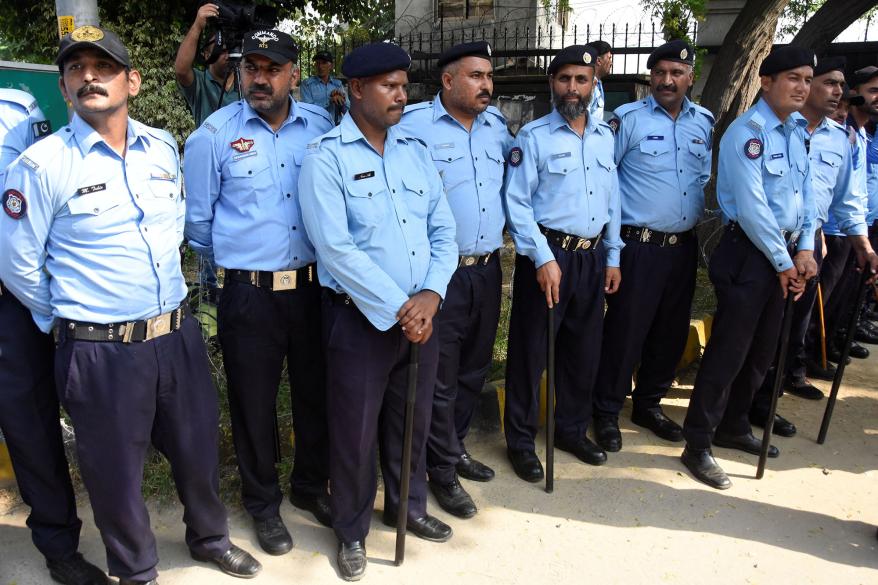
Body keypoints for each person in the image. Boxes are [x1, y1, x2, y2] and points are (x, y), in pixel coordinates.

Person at [0, 26, 261, 583]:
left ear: (133, 81)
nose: (88, 76)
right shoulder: (42, 166)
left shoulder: (163, 146)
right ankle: (137, 569)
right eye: (76, 69)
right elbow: (19, 264)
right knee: (114, 474)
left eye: (103, 67)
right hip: (100, 350)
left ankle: (210, 538)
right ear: (66, 88)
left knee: (196, 449)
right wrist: (67, 320)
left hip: (175, 333)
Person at [298, 42, 458, 581]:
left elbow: (444, 230)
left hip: (422, 316)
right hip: (359, 321)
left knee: (410, 421)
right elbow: (335, 249)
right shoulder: (326, 157)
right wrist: (399, 308)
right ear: (357, 91)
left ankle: (409, 508)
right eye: (388, 86)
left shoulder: (413, 150)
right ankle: (351, 531)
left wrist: (431, 296)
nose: (401, 95)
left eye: (403, 85)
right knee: (354, 432)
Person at [183, 29, 333, 556]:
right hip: (249, 295)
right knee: (254, 403)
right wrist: (245, 261)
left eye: (272, 69)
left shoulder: (320, 126)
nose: (260, 78)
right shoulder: (213, 135)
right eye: (252, 68)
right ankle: (263, 504)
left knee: (316, 394)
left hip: (314, 290)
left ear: (295, 74)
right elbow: (197, 225)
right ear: (241, 72)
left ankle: (311, 486)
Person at [680, 46, 818, 490]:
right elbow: (755, 208)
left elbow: (807, 196)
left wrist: (806, 248)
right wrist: (784, 259)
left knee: (764, 349)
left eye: (807, 79)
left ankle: (734, 425)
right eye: (793, 78)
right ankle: (697, 443)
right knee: (730, 351)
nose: (802, 87)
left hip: (785, 256)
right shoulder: (748, 133)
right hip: (750, 255)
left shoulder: (797, 131)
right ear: (766, 81)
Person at [397, 41, 510, 519]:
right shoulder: (413, 126)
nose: (486, 84)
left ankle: (455, 448)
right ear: (447, 81)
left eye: (488, 75)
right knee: (438, 379)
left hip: (487, 269)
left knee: (472, 370)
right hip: (439, 276)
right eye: (475, 75)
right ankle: (439, 471)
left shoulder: (498, 128)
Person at [0, 89, 108, 585]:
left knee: (31, 426)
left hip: (8, 302)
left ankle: (59, 545)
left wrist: (45, 311)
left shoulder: (16, 110)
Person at [503, 44, 622, 482]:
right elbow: (516, 204)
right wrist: (541, 257)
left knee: (582, 351)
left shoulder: (605, 137)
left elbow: (613, 201)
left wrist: (613, 256)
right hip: (548, 260)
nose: (572, 88)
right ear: (551, 83)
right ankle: (519, 440)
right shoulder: (533, 138)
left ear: (593, 85)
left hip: (591, 260)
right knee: (530, 353)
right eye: (564, 79)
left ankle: (570, 430)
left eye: (581, 80)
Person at [593, 40, 713, 453]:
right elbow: (608, 183)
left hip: (682, 247)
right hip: (638, 245)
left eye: (676, 73)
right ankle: (606, 411)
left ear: (689, 77)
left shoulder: (703, 123)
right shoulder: (628, 120)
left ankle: (648, 404)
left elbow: (701, 179)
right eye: (660, 72)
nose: (667, 80)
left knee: (670, 330)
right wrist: (612, 250)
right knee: (627, 331)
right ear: (651, 77)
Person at [750, 57, 877, 437]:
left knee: (791, 329)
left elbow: (848, 200)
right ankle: (740, 403)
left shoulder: (841, 139)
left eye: (840, 84)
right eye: (828, 83)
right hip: (763, 245)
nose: (838, 91)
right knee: (755, 334)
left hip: (810, 246)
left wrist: (863, 246)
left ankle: (766, 401)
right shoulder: (772, 132)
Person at [174, 2, 238, 127]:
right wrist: (197, 26)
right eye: (221, 50)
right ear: (206, 54)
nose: (227, 55)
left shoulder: (244, 81)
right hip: (210, 146)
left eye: (230, 50)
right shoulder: (200, 82)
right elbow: (181, 70)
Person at [300, 50, 348, 124]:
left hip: (336, 126)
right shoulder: (307, 84)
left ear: (331, 66)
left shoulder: (338, 84)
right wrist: (330, 101)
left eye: (324, 63)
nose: (320, 66)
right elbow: (308, 109)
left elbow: (348, 112)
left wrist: (342, 100)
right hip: (316, 125)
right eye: (317, 63)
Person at [586, 40, 612, 121]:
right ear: (598, 61)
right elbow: (583, 120)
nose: (611, 63)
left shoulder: (598, 83)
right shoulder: (587, 86)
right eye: (609, 58)